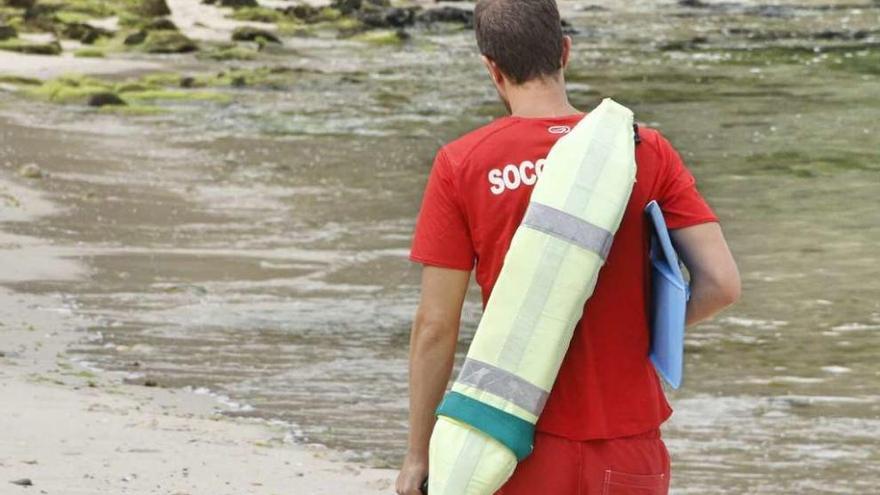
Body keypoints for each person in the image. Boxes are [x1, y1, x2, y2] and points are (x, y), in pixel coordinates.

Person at [396, 0, 741, 493]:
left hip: (512, 440)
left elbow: (435, 327)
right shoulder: (642, 149)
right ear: (565, 51)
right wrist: (638, 329)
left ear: (491, 68)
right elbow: (722, 285)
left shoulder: (463, 163)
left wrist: (418, 453)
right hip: (628, 442)